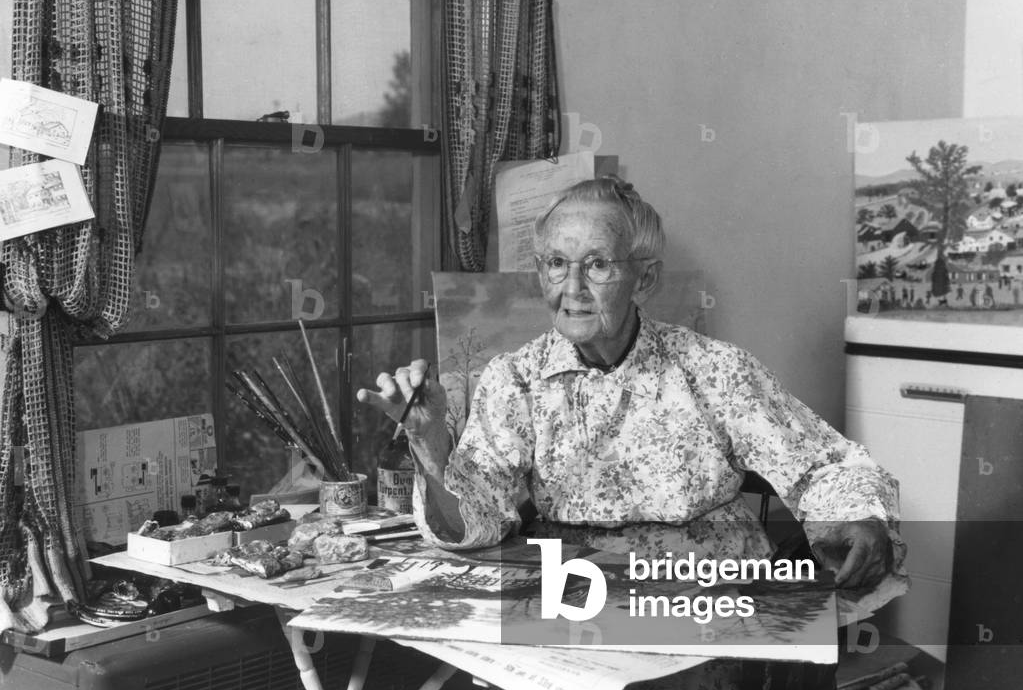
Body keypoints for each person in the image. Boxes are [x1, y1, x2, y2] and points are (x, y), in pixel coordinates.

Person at [359, 177, 904, 591]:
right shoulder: (514, 380)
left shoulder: (714, 370)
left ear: (644, 278)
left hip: (708, 593)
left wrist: (858, 518)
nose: (572, 287)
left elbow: (825, 466)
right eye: (556, 263)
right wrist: (430, 446)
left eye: (597, 264)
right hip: (574, 593)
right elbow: (475, 523)